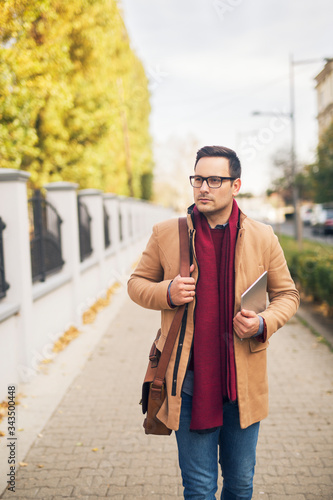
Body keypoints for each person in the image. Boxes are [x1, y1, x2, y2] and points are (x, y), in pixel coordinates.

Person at [127, 145, 300, 500]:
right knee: (200, 488)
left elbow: (288, 295)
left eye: (214, 179)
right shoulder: (166, 233)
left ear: (235, 185)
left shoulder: (262, 236)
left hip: (243, 384)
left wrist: (263, 322)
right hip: (189, 384)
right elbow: (136, 284)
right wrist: (168, 292)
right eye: (198, 179)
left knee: (240, 485)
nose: (203, 187)